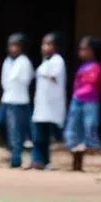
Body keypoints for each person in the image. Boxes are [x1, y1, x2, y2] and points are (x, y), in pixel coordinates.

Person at [64, 36, 101, 171]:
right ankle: (76, 162)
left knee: (90, 126)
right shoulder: (82, 66)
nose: (80, 52)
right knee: (73, 128)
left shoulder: (96, 67)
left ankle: (95, 159)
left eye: (84, 49)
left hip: (90, 101)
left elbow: (92, 84)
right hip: (77, 100)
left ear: (92, 51)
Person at [30, 32, 67, 169]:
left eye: (49, 44)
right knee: (41, 136)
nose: (45, 47)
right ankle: (42, 161)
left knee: (41, 136)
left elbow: (52, 76)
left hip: (50, 106)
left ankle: (40, 161)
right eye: (44, 44)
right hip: (42, 105)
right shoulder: (46, 61)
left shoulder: (57, 60)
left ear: (56, 46)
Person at [0, 33, 35, 168]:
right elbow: (5, 81)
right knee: (7, 128)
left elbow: (26, 80)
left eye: (15, 45)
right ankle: (15, 157)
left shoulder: (24, 61)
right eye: (10, 45)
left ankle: (16, 159)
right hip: (8, 99)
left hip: (20, 100)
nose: (12, 48)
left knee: (19, 131)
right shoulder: (8, 61)